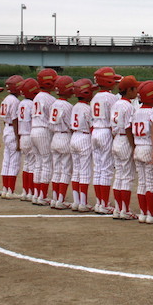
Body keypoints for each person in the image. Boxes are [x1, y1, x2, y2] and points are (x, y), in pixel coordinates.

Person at [91, 67, 122, 215]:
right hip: (105, 131)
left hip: (95, 131)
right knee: (107, 169)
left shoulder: (95, 97)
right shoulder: (111, 97)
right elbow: (114, 119)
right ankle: (104, 204)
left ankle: (99, 202)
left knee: (98, 168)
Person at [132, 80, 153, 224]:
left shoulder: (137, 110)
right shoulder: (152, 111)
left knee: (142, 182)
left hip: (138, 146)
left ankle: (143, 213)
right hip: (148, 146)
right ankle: (151, 214)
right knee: (151, 182)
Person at [110, 75, 141, 220]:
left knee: (119, 176)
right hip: (125, 140)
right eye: (135, 88)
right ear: (129, 90)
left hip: (117, 138)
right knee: (127, 177)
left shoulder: (116, 103)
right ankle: (125, 209)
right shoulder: (128, 106)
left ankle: (118, 208)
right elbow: (128, 128)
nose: (137, 91)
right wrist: (133, 145)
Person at [31, 68, 58, 206]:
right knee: (47, 163)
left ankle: (36, 194)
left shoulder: (37, 97)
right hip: (43, 131)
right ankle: (42, 195)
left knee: (38, 163)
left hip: (34, 130)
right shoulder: (50, 99)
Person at [70, 78, 98, 212]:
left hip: (74, 136)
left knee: (76, 170)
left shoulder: (74, 107)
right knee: (85, 171)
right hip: (84, 137)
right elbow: (92, 127)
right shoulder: (87, 108)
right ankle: (83, 202)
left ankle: (76, 201)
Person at [49, 75, 75, 209]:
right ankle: (61, 199)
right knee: (65, 170)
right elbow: (72, 125)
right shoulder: (68, 106)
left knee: (56, 169)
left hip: (55, 137)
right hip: (65, 137)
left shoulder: (54, 103)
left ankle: (55, 198)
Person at [0, 75, 23, 199]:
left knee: (6, 161)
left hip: (6, 130)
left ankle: (5, 189)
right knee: (14, 162)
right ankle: (10, 191)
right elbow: (15, 120)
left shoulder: (6, 99)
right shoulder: (15, 101)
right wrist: (18, 139)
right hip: (13, 130)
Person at [16, 78, 40, 201]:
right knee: (33, 165)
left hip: (22, 136)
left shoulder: (21, 103)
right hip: (30, 135)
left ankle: (26, 191)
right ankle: (31, 192)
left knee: (26, 164)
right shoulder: (31, 104)